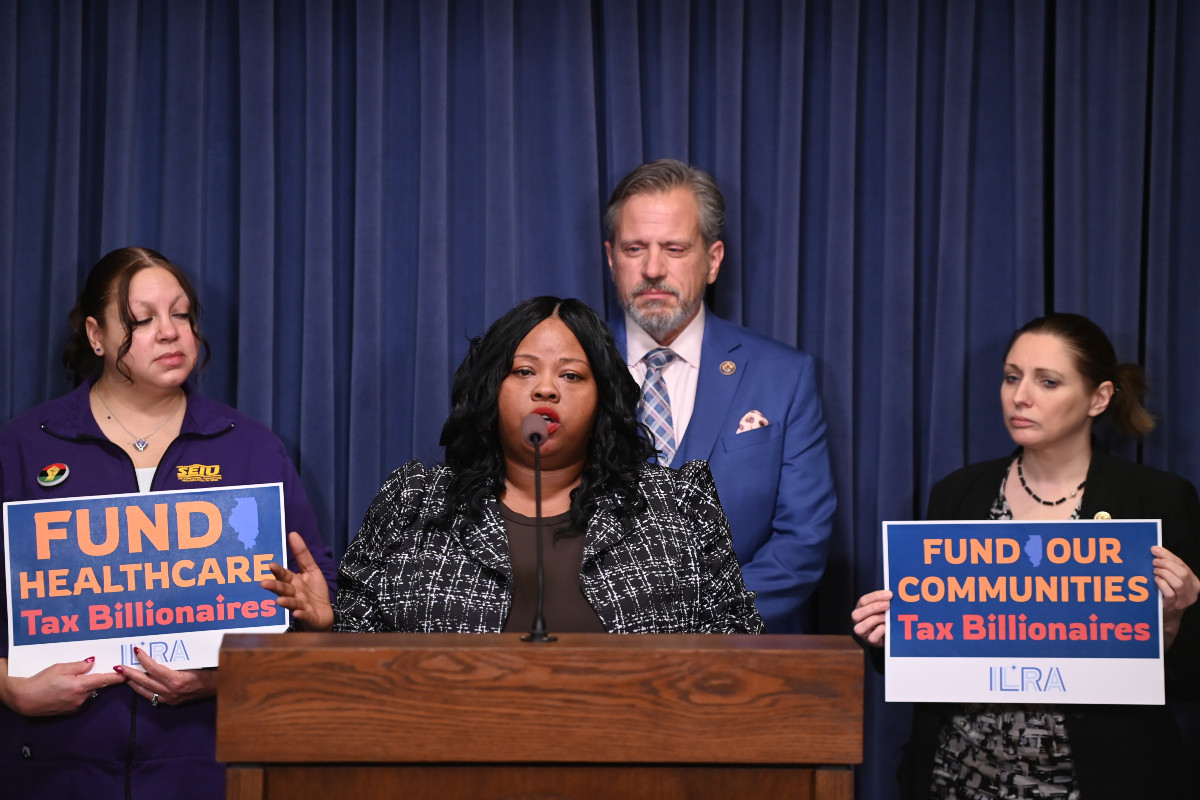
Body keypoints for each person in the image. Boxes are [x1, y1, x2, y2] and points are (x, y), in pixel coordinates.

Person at [0, 247, 338, 798]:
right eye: (142, 319)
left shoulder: (251, 448)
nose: (169, 333)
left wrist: (311, 626)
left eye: (181, 314)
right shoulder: (24, 446)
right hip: (53, 767)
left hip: (207, 767)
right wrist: (9, 689)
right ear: (95, 334)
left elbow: (310, 612)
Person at [265, 296, 764, 636]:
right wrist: (330, 625)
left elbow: (740, 651)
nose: (545, 389)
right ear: (491, 390)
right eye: (524, 371)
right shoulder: (414, 502)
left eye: (571, 375)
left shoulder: (676, 506)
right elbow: (361, 660)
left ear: (602, 399)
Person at [851, 312, 1200, 799]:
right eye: (1012, 377)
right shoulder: (958, 494)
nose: (1020, 396)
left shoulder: (1157, 500)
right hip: (960, 777)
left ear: (1098, 398)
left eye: (1048, 382)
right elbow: (932, 654)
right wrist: (887, 634)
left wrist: (1174, 619)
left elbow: (1186, 675)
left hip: (1101, 779)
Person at [603, 158, 836, 634]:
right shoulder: (569, 371)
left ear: (712, 261)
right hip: (595, 661)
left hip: (735, 668)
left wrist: (699, 624)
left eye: (674, 248)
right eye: (634, 249)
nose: (652, 269)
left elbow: (801, 542)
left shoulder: (784, 377)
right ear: (611, 259)